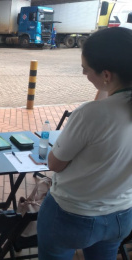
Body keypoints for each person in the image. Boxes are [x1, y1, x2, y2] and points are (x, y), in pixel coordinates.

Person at [37, 27, 132, 260]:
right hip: (121, 217)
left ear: (106, 74)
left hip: (73, 216)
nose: (83, 74)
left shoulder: (90, 115)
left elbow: (55, 164)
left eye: (85, 69)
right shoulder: (112, 109)